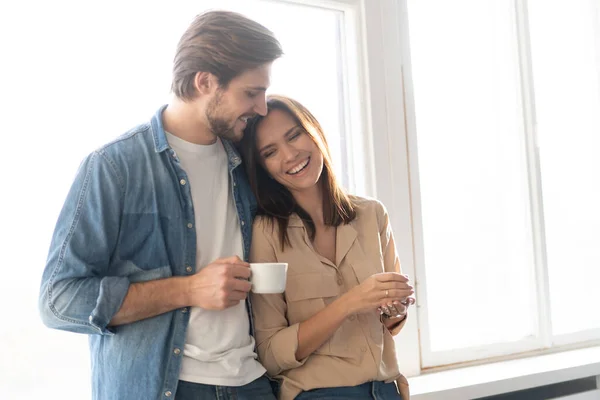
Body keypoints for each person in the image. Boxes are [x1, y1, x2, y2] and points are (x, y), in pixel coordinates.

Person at [38, 11, 283, 400]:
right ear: (205, 82)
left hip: (251, 384)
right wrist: (189, 289)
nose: (262, 108)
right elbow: (59, 300)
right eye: (251, 93)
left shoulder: (247, 162)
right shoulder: (114, 167)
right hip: (162, 389)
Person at [238, 95, 415, 400]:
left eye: (294, 135)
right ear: (263, 168)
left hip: (387, 390)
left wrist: (395, 309)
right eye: (270, 152)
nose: (290, 155)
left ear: (314, 130)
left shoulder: (372, 214)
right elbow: (270, 354)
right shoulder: (266, 235)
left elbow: (390, 325)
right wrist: (349, 303)